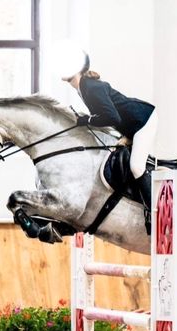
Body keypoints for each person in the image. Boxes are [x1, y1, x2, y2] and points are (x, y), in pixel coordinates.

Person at [62, 54, 158, 231]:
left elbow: (112, 116)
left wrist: (88, 120)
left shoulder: (91, 87)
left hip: (143, 120)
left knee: (136, 167)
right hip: (129, 126)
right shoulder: (82, 88)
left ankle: (154, 211)